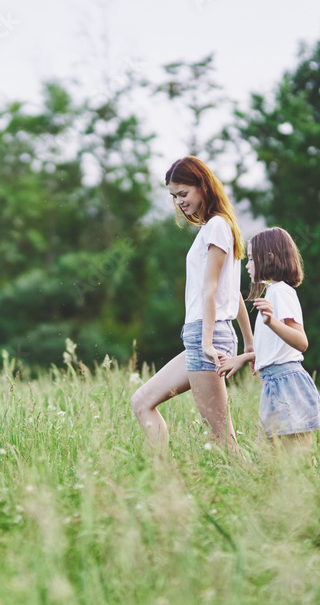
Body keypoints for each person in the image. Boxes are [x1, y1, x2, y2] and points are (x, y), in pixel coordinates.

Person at [131, 156, 253, 453]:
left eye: (183, 194)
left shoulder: (216, 226)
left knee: (222, 441)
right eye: (174, 197)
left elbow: (211, 288)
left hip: (206, 338)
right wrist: (249, 344)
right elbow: (232, 292)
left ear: (203, 186)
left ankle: (261, 489)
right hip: (204, 337)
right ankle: (165, 480)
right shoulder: (219, 227)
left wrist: (209, 342)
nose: (179, 203)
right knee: (142, 402)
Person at [216, 227, 320, 451]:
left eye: (252, 259)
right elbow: (276, 349)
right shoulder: (271, 294)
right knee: (271, 459)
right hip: (275, 384)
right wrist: (244, 358)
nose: (247, 265)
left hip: (288, 384)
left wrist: (272, 322)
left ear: (269, 258)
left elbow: (301, 342)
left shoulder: (281, 292)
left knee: (297, 459)